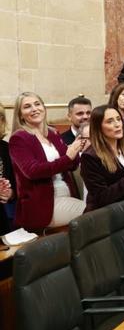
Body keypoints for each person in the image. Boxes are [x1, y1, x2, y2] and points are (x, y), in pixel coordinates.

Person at [9, 92, 87, 230]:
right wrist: (68, 157)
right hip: (42, 205)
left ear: (44, 108)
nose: (34, 109)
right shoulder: (19, 138)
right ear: (20, 114)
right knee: (93, 213)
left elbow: (72, 165)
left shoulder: (53, 133)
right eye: (27, 106)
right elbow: (32, 171)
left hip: (67, 195)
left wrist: (77, 150)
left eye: (37, 104)